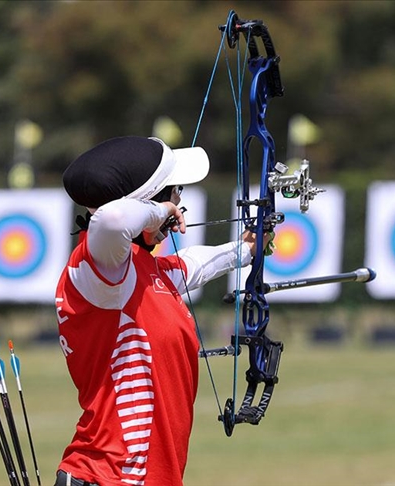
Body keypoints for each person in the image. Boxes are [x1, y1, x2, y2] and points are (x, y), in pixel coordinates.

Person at [54, 136, 261, 486]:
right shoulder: (96, 270)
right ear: (147, 203)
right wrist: (159, 211)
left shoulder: (140, 272)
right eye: (174, 191)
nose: (179, 200)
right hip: (113, 476)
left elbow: (192, 266)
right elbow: (114, 219)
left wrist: (247, 248)